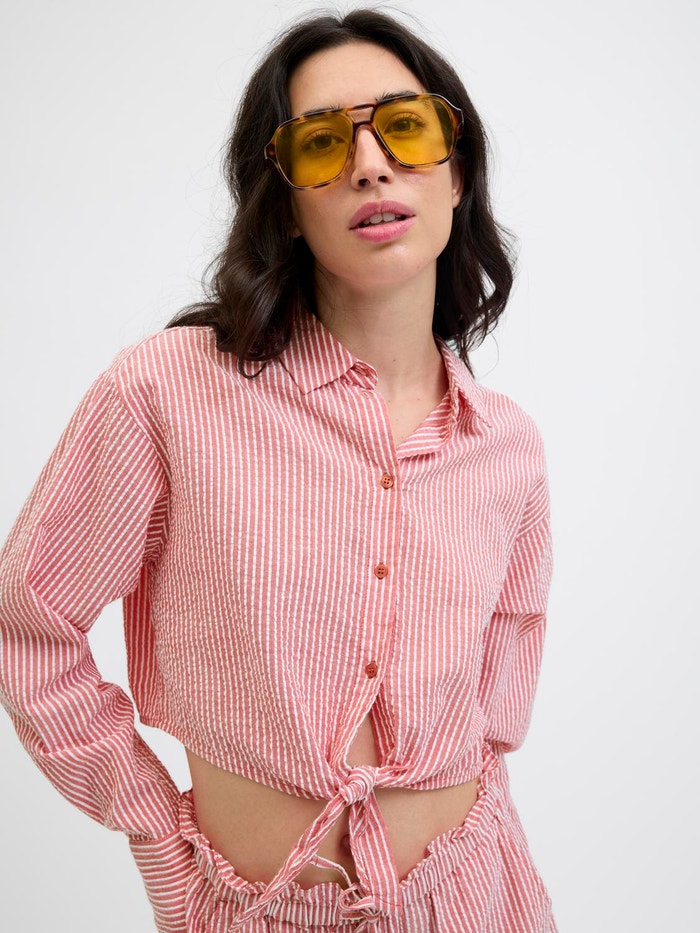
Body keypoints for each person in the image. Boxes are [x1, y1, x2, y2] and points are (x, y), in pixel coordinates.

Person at [0, 7, 556, 932]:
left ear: (458, 174)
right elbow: (27, 623)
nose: (370, 164)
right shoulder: (168, 391)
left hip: (475, 897)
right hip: (253, 909)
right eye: (323, 143)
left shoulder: (508, 445)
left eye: (406, 127)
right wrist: (156, 830)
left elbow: (494, 718)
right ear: (286, 205)